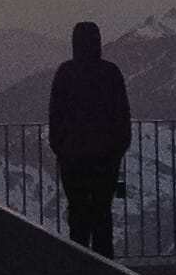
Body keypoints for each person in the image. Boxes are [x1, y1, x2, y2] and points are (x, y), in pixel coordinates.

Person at [47, 20, 132, 257]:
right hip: (106, 161)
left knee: (78, 218)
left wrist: (62, 150)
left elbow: (55, 117)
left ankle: (80, 271)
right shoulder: (111, 73)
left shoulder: (65, 73)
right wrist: (116, 152)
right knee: (102, 217)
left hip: (73, 160)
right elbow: (122, 117)